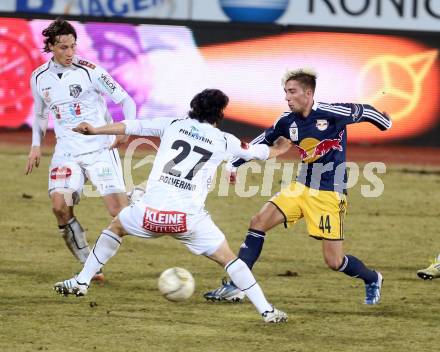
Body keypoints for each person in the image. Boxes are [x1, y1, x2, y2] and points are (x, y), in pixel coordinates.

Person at [53, 89, 291, 323]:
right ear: (219, 114)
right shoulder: (224, 140)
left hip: (149, 216)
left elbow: (131, 126)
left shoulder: (172, 125)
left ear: (193, 108)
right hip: (187, 221)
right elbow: (259, 152)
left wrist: (95, 130)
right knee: (230, 260)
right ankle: (267, 311)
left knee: (115, 228)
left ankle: (82, 281)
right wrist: (280, 148)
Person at [204, 68, 392, 305]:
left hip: (329, 192)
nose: (287, 97)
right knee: (258, 222)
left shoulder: (331, 112)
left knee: (334, 261)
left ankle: (372, 277)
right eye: (285, 92)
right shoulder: (286, 121)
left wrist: (384, 122)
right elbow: (262, 141)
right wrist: (234, 164)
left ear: (308, 92)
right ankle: (238, 285)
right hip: (301, 186)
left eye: (292, 92)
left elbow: (363, 111)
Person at [25, 18, 136, 280]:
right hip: (66, 152)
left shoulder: (90, 71)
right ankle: (89, 262)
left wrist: (125, 130)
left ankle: (137, 198)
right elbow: (40, 114)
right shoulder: (39, 77)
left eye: (73, 46)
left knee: (119, 214)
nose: (70, 53)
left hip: (99, 147)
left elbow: (125, 99)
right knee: (59, 207)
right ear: (51, 46)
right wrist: (35, 146)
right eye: (63, 47)